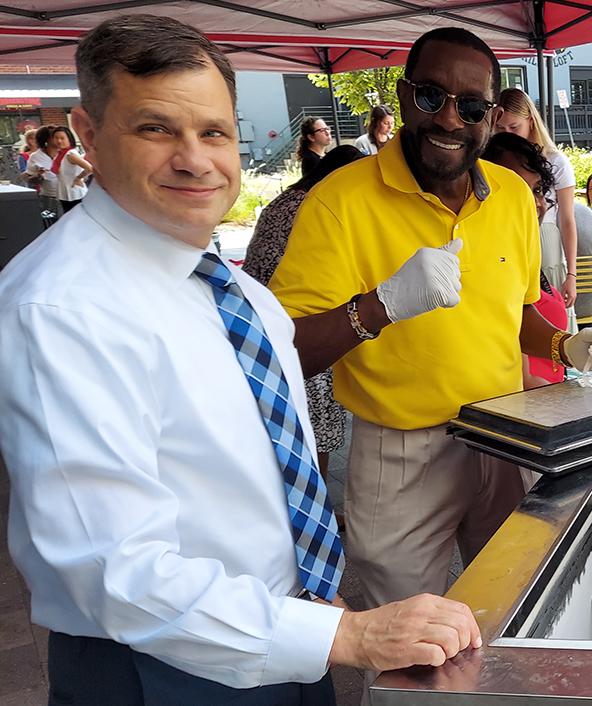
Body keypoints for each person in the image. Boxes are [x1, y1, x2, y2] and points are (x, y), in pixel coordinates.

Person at [0, 15, 487, 705]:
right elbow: (112, 570)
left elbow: (271, 469)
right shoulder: (63, 308)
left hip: (282, 635)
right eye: (156, 128)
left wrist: (321, 625)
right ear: (88, 135)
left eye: (215, 132)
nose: (195, 159)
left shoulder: (236, 291)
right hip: (160, 665)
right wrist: (346, 640)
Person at [269, 27, 592, 610]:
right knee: (411, 646)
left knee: (516, 610)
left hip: (506, 435)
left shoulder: (511, 194)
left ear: (492, 114)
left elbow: (516, 310)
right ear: (405, 96)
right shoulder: (340, 201)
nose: (450, 119)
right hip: (402, 453)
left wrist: (566, 346)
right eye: (432, 96)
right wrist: (377, 307)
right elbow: (285, 349)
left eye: (473, 105)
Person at [243, 144, 365, 475]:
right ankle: (319, 501)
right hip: (295, 320)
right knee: (317, 424)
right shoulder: (315, 206)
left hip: (262, 317)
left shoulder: (289, 198)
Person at [480, 131, 568, 387]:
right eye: (517, 189)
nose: (536, 203)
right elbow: (523, 374)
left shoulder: (523, 249)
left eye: (537, 190)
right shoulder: (488, 262)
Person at [493, 87, 579, 307]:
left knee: (548, 308)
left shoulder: (555, 160)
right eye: (500, 128)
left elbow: (567, 220)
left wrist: (572, 273)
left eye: (514, 127)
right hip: (502, 241)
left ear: (531, 121)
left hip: (545, 240)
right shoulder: (491, 160)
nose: (507, 134)